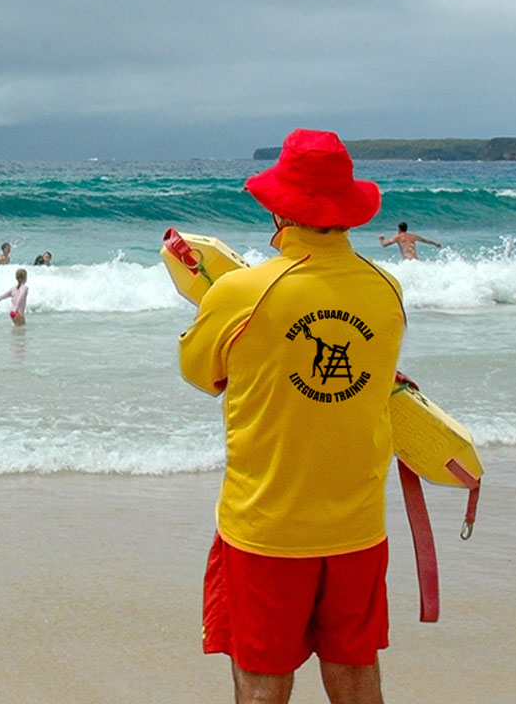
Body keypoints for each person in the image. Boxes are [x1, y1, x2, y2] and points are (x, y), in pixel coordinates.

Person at [179, 129, 406, 704]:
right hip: (358, 526)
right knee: (356, 675)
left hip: (268, 527)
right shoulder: (387, 290)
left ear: (280, 207)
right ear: (349, 209)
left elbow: (201, 373)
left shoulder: (240, 292)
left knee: (262, 681)